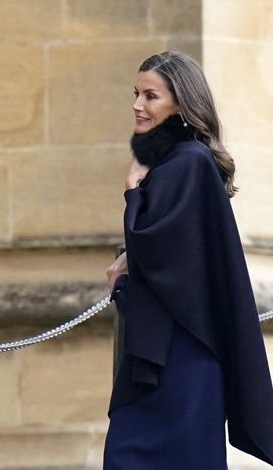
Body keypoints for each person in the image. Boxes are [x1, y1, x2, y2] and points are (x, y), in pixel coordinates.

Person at [103, 51, 273, 468]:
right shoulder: (179, 162)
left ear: (181, 102)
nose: (137, 105)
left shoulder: (188, 162)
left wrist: (132, 190)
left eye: (151, 96)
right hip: (164, 353)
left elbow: (160, 255)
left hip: (181, 355)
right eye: (136, 94)